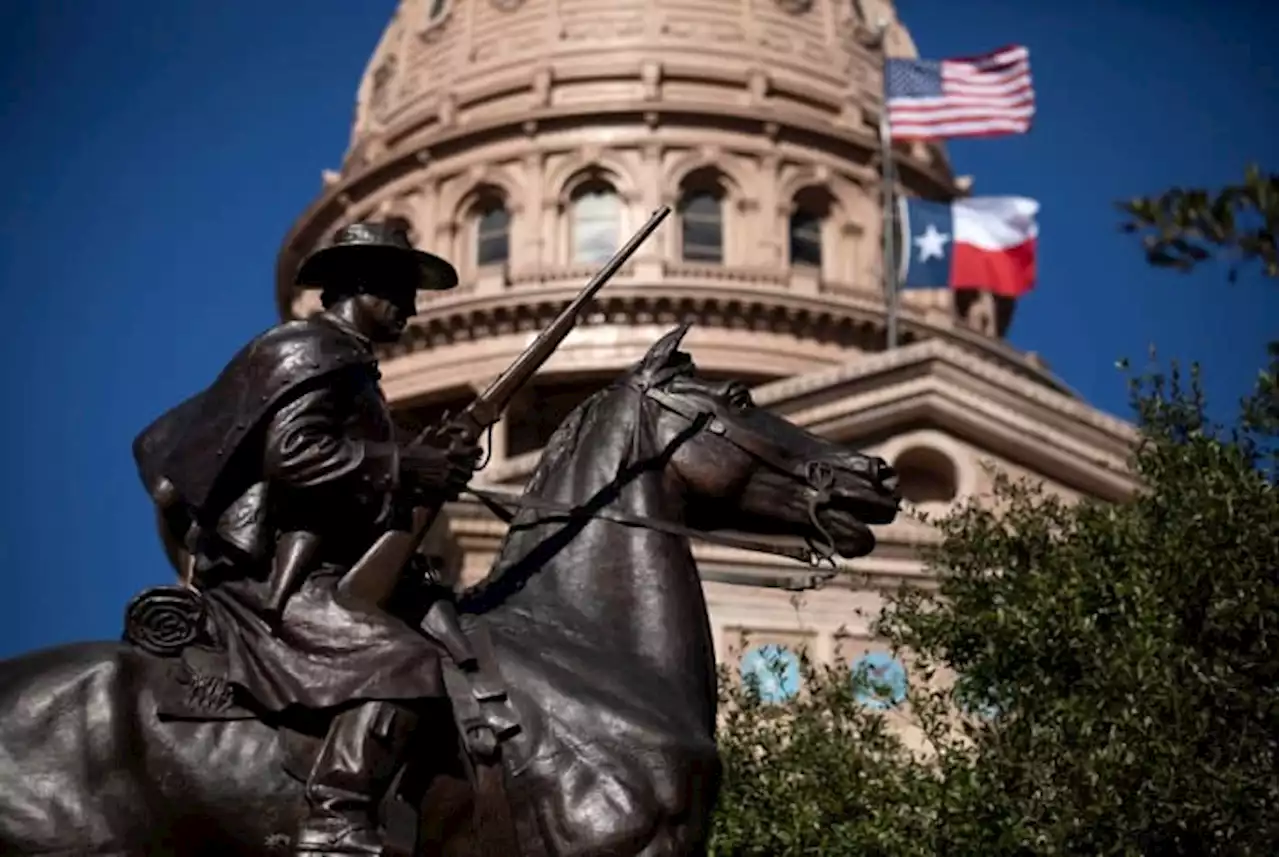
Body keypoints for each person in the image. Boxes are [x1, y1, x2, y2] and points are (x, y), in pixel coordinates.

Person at [132, 222, 481, 855]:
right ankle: (336, 813)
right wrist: (406, 464)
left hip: (321, 566)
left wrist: (421, 460)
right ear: (365, 286)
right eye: (401, 292)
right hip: (275, 578)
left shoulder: (347, 368)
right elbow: (293, 456)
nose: (413, 307)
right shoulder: (316, 352)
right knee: (403, 660)